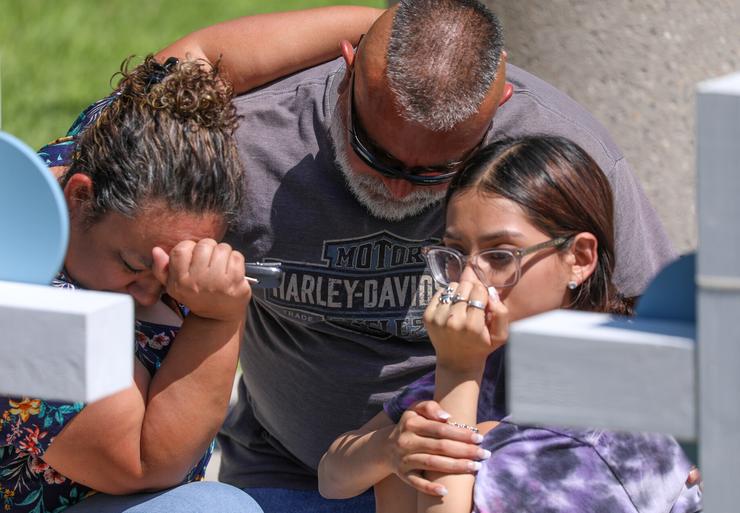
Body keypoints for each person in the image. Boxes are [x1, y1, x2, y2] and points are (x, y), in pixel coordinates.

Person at [63, 1, 676, 511]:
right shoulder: (252, 135)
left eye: (438, 169)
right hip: (287, 467)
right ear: (349, 66)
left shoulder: (557, 154)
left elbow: (657, 326)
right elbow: (149, 120)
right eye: (375, 153)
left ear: (499, 105)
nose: (401, 188)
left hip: (508, 481)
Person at [2, 7, 383, 513]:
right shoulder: (27, 297)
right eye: (135, 265)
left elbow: (204, 58)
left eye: (169, 271)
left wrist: (397, 31)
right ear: (79, 195)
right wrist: (216, 318)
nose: (150, 291)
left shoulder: (121, 138)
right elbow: (145, 462)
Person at [318, 135, 702, 513]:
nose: (469, 281)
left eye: (500, 256)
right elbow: (332, 477)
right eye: (455, 253)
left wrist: (457, 370)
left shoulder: (602, 429)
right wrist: (391, 447)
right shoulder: (503, 356)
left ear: (580, 258)